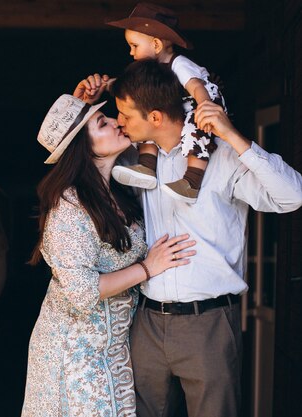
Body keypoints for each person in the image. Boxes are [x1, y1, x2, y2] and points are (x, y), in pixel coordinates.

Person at [74, 60, 302, 417]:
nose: (119, 122)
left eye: (125, 115)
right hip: (146, 322)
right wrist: (82, 106)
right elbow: (80, 154)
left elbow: (292, 196)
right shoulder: (133, 159)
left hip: (207, 325)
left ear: (155, 117)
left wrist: (234, 136)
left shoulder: (223, 157)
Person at [21, 93, 196, 417]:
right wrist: (147, 267)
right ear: (82, 149)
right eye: (103, 123)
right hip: (74, 351)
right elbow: (83, 292)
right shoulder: (69, 207)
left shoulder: (118, 188)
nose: (117, 122)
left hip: (114, 348)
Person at [106, 2, 227, 203]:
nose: (130, 53)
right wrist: (111, 84)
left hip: (200, 101)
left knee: (194, 130)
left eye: (134, 46)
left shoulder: (179, 64)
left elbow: (196, 86)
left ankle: (192, 181)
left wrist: (205, 108)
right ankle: (146, 166)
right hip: (177, 104)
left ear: (156, 45)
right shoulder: (153, 69)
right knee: (145, 118)